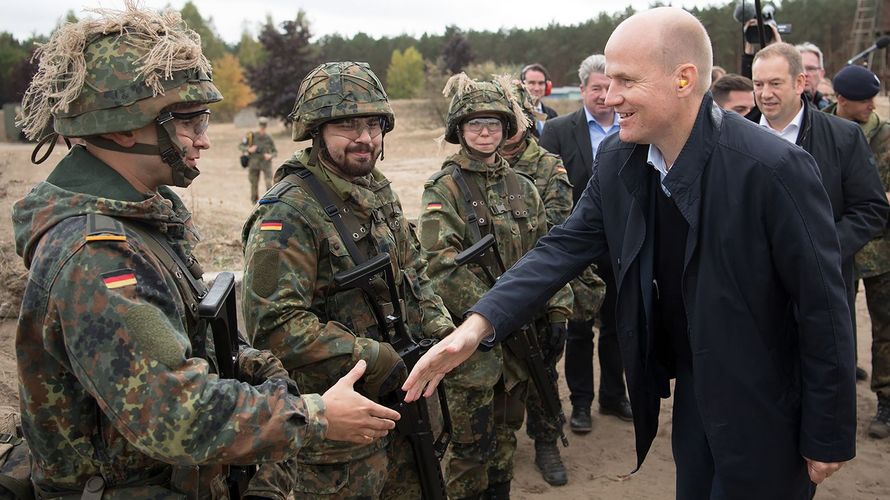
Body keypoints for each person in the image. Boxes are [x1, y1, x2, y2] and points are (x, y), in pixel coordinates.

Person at [405, 7, 877, 498]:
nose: (609, 98)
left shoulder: (774, 168)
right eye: (607, 82)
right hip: (696, 389)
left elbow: (823, 306)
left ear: (683, 79)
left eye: (625, 81)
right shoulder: (620, 157)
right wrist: (478, 325)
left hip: (770, 399)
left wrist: (829, 432)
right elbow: (564, 245)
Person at [11, 6, 399, 498]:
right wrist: (316, 416)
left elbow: (191, 342)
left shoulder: (143, 221)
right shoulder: (96, 256)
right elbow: (170, 413)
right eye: (190, 122)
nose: (205, 140)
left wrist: (256, 367)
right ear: (125, 127)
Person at [240, 61, 455, 499]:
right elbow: (275, 327)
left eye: (373, 123)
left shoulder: (376, 190)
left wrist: (442, 332)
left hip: (400, 403)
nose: (364, 137)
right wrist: (375, 357)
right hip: (337, 434)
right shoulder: (288, 212)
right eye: (346, 125)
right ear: (316, 131)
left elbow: (413, 272)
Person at [417, 74, 572, 498]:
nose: (485, 132)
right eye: (474, 124)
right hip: (472, 347)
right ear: (459, 132)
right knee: (469, 450)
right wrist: (498, 315)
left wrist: (558, 307)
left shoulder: (523, 187)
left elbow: (549, 254)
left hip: (521, 346)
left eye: (493, 124)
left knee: (505, 439)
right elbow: (440, 266)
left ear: (507, 129)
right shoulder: (443, 188)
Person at [752, 43, 889, 383]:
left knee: (823, 391)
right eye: (758, 84)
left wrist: (824, 248)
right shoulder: (733, 136)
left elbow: (871, 208)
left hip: (824, 291)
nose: (765, 94)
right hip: (756, 297)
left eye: (775, 83)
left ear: (800, 83)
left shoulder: (843, 138)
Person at [500, 82, 587, 486]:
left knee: (541, 371)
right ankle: (495, 445)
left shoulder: (548, 166)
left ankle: (546, 441)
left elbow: (557, 235)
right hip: (488, 291)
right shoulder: (469, 168)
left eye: (512, 120)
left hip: (537, 288)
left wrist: (556, 303)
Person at [540, 54, 631, 434]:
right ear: (582, 91)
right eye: (596, 87)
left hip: (623, 246)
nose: (604, 94)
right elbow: (545, 186)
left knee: (616, 326)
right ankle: (581, 403)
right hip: (579, 245)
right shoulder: (559, 130)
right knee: (579, 329)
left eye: (609, 87)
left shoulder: (631, 127)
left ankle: (613, 395)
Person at [824, 64, 890, 439]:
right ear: (842, 100)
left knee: (886, 328)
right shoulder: (821, 132)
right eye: (864, 99)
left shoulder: (886, 137)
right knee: (836, 324)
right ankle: (838, 393)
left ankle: (886, 401)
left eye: (874, 97)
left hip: (881, 250)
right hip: (838, 247)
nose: (872, 104)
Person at [241, 116, 278, 203]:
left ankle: (269, 201)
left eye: (264, 127)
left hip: (266, 163)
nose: (262, 129)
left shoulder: (269, 138)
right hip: (254, 163)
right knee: (254, 183)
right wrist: (248, 149)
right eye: (261, 127)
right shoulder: (251, 136)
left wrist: (270, 156)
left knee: (269, 183)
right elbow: (241, 146)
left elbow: (275, 152)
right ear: (259, 126)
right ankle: (254, 201)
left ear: (266, 127)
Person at [520, 63, 559, 136]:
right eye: (531, 83)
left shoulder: (552, 114)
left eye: (541, 83)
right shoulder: (516, 115)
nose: (537, 88)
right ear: (522, 85)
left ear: (547, 86)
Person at [795, 42, 832, 110]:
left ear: (821, 74)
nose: (805, 73)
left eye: (810, 69)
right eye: (800, 68)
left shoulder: (829, 108)